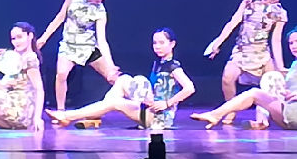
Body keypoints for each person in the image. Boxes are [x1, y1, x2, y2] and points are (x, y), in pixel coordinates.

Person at [190, 24, 297, 130]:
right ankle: (260, 121)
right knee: (268, 86)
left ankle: (216, 114)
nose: (294, 46)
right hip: (295, 114)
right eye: (291, 43)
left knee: (255, 93)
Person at [46, 27, 195, 130]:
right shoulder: (159, 64)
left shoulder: (173, 66)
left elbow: (190, 88)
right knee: (123, 80)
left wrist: (167, 103)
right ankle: (94, 116)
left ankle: (68, 116)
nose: (157, 46)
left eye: (162, 43)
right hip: (149, 108)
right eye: (155, 43)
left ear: (172, 44)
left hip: (158, 119)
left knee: (115, 102)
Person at [203, 0, 289, 124]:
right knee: (227, 78)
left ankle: (262, 119)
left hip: (262, 53)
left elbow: (276, 40)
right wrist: (218, 43)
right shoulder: (248, 2)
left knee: (269, 84)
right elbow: (233, 22)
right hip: (242, 51)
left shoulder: (280, 12)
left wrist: (280, 65)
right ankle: (230, 110)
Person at [36, 0, 120, 114]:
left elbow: (102, 40)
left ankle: (134, 106)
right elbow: (60, 18)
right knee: (61, 74)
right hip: (69, 45)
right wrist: (43, 39)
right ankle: (61, 111)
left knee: (112, 77)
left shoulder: (100, 11)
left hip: (88, 47)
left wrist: (110, 64)